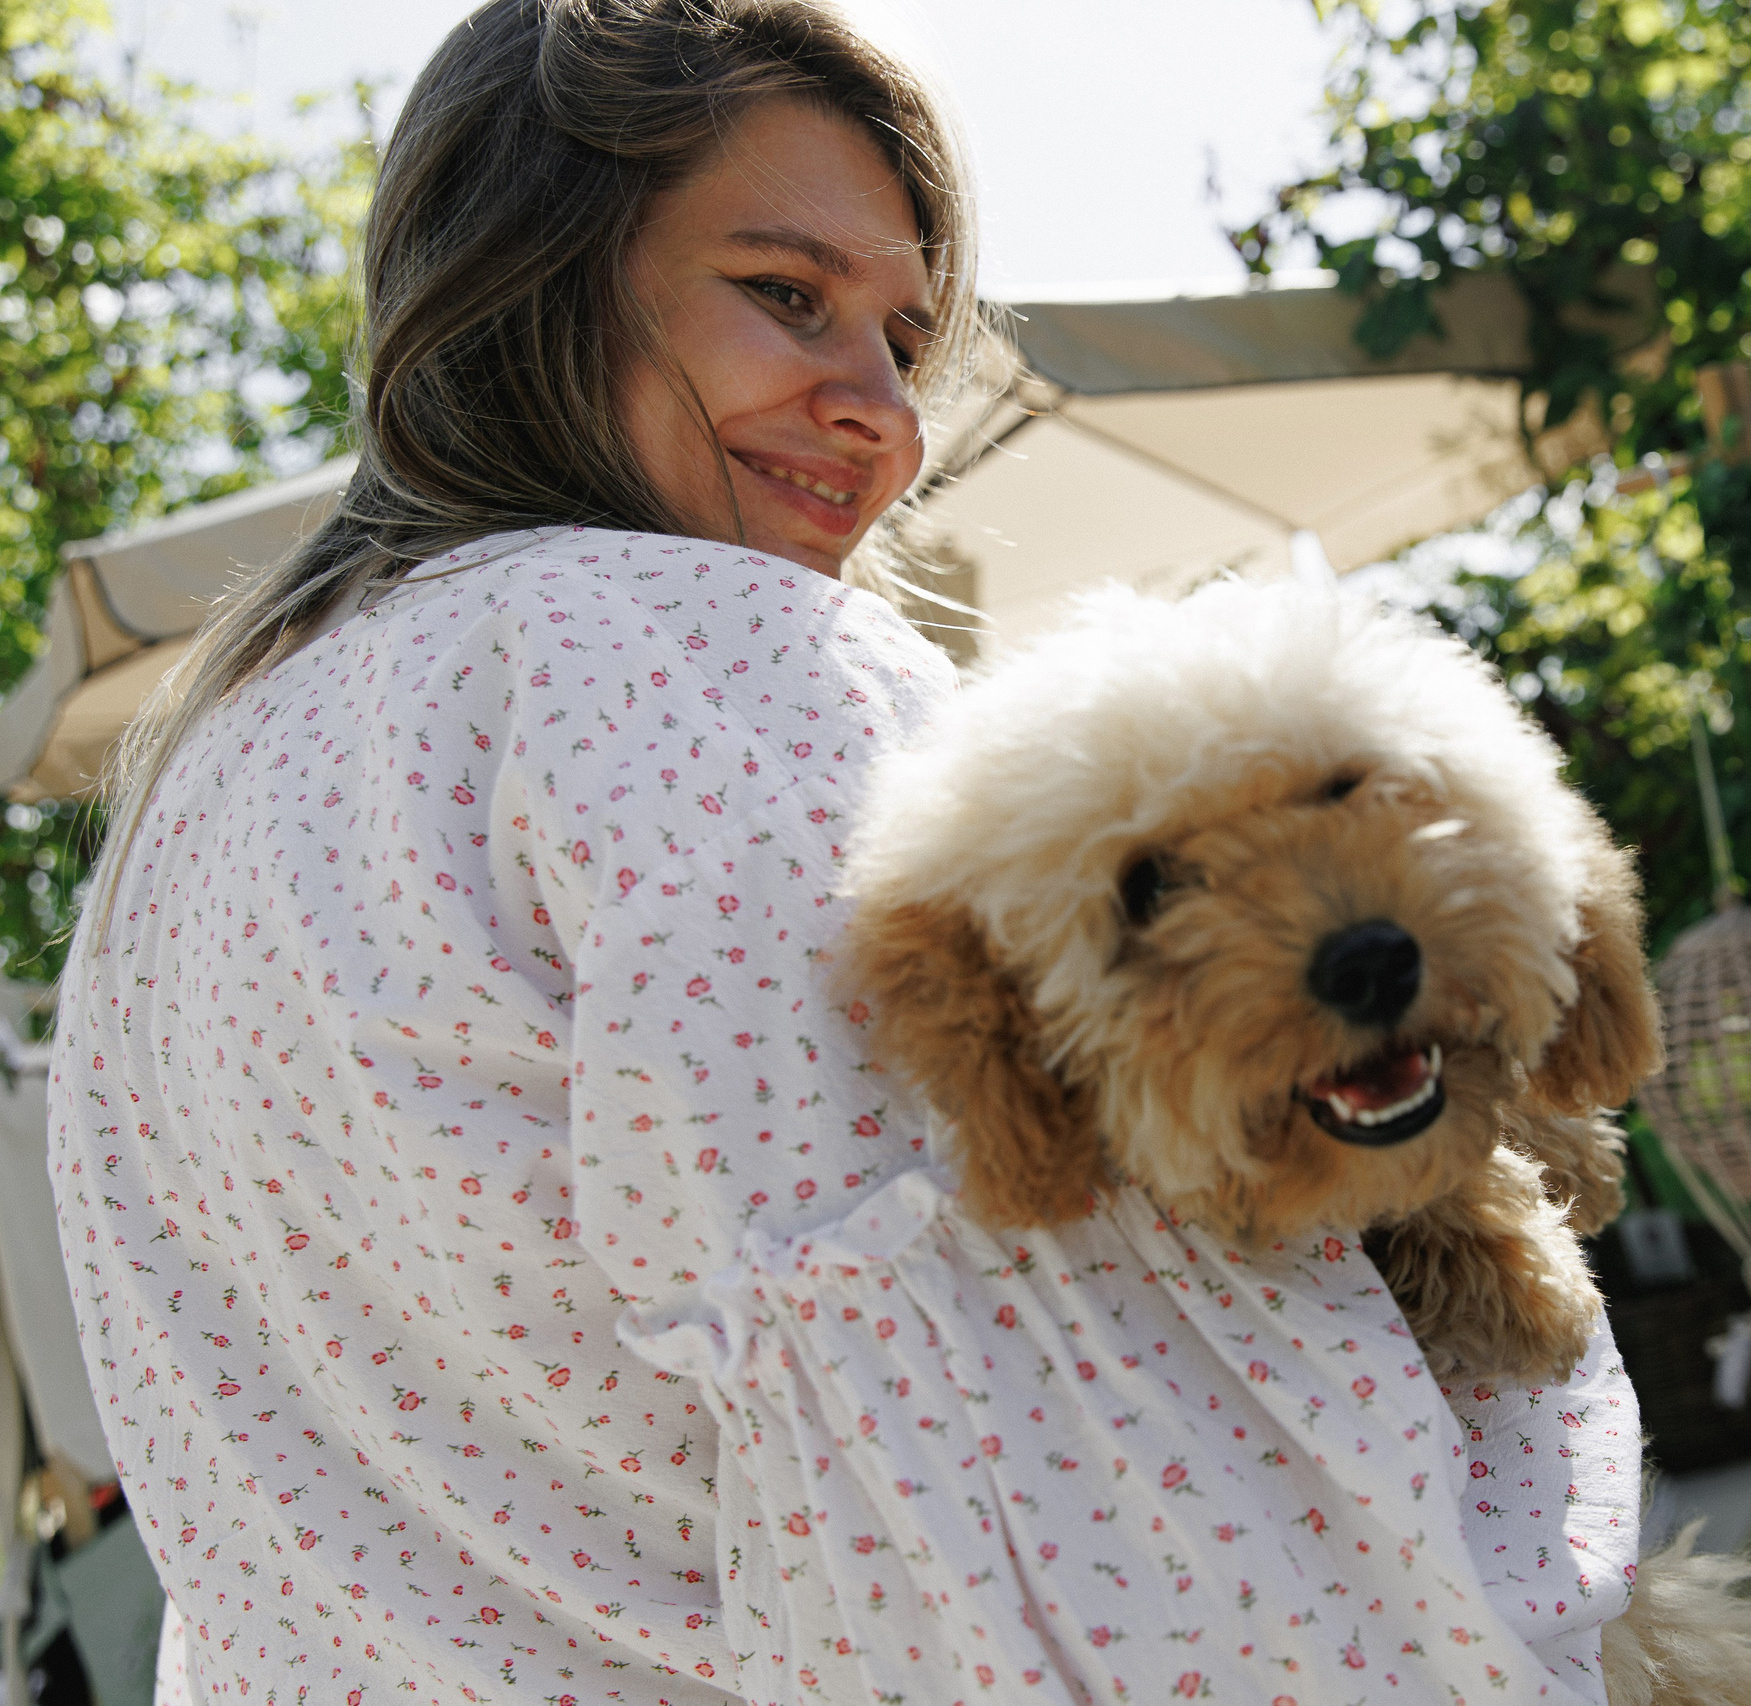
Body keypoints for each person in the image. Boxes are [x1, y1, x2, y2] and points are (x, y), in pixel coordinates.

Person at [48, 4, 1637, 1704]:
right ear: (530, 278)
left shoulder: (171, 838)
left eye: (904, 334)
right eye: (784, 294)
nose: (881, 410)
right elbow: (1125, 1500)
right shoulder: (678, 653)